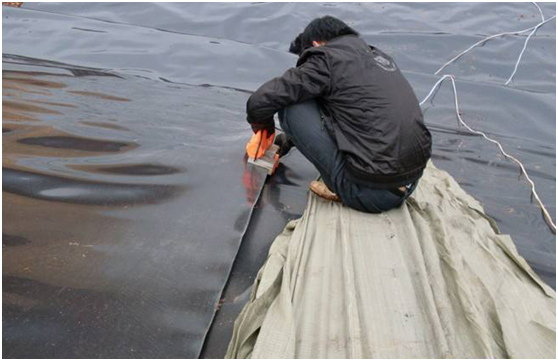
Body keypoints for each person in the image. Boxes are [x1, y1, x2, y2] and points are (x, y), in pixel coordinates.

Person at [246, 15, 432, 213]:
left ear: (316, 44)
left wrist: (264, 130)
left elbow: (260, 101)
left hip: (369, 195)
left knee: (290, 106)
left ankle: (344, 188)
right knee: (316, 95)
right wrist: (286, 142)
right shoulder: (377, 57)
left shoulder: (326, 58)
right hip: (410, 182)